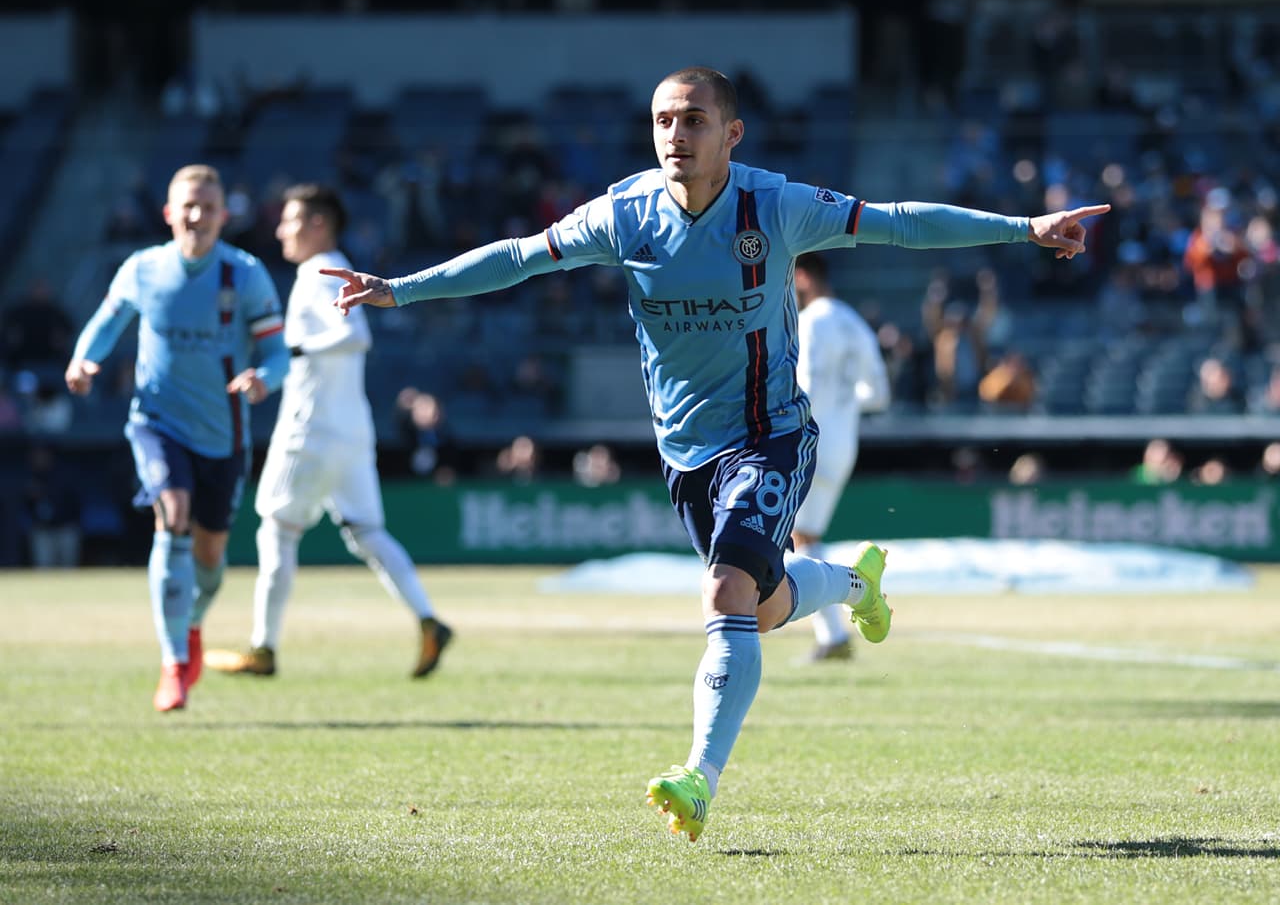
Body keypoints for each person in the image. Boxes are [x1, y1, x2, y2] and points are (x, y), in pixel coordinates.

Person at [321, 67, 1108, 842]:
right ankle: (852, 583)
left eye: (694, 120)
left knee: (725, 591)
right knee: (758, 608)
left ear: (732, 134)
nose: (676, 134)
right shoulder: (624, 214)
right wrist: (401, 288)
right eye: (664, 120)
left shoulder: (775, 206)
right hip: (686, 453)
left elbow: (899, 221)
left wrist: (1023, 229)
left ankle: (699, 779)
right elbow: (521, 257)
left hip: (770, 435)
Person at [65, 164, 291, 712]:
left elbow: (277, 353)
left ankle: (190, 625)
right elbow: (106, 322)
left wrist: (264, 378)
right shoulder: (142, 269)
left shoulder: (245, 275)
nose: (197, 215)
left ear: (223, 216)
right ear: (169, 213)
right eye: (188, 205)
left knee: (210, 559)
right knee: (173, 509)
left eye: (208, 207)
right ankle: (171, 664)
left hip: (223, 436)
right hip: (157, 422)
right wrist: (83, 359)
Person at [203, 184, 452, 680]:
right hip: (351, 430)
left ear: (318, 224)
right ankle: (429, 620)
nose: (281, 230)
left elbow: (353, 336)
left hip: (311, 430)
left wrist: (293, 351)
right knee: (368, 532)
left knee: (277, 529)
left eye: (290, 220)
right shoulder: (334, 267)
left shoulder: (319, 272)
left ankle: (263, 648)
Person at [789, 252, 890, 663]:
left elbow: (806, 385)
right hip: (843, 444)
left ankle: (844, 614)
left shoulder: (811, 321)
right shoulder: (855, 322)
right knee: (805, 537)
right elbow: (879, 394)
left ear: (802, 276)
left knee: (793, 537)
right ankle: (832, 632)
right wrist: (844, 404)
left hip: (809, 441)